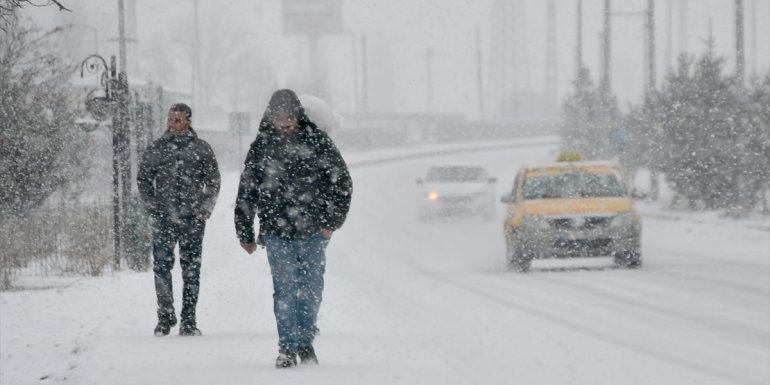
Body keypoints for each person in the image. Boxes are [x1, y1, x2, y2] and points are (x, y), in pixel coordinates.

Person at [234, 89, 352, 368]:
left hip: (313, 232)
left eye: (290, 116)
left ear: (298, 116)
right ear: (270, 117)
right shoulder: (262, 147)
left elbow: (342, 184)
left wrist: (330, 223)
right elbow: (247, 190)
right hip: (277, 231)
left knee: (311, 289)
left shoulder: (318, 142)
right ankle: (287, 348)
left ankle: (305, 341)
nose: (285, 122)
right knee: (286, 289)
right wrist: (245, 232)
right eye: (279, 117)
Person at [137, 103, 221, 337]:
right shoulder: (157, 149)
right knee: (161, 267)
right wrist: (153, 207)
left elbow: (213, 181)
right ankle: (165, 315)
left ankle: (188, 320)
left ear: (188, 121)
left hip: (193, 218)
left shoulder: (201, 149)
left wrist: (204, 210)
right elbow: (143, 179)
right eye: (170, 119)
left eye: (177, 119)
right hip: (163, 217)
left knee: (191, 270)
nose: (172, 123)